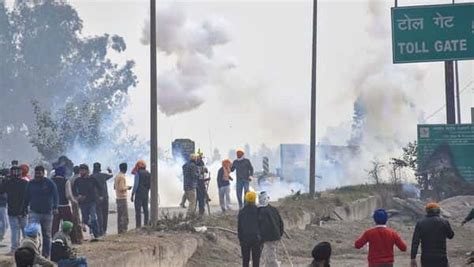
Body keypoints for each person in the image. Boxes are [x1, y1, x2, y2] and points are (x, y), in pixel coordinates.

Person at [24, 165, 59, 258]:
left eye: (39, 173)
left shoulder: (50, 183)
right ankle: (33, 254)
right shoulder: (30, 183)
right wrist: (24, 208)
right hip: (34, 212)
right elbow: (26, 197)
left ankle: (46, 255)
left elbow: (56, 196)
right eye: (36, 173)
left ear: (43, 173)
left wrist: (55, 207)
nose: (38, 175)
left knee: (47, 235)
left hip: (47, 213)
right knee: (32, 233)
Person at [410, 203, 454, 267]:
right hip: (441, 256)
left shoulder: (420, 223)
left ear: (427, 211)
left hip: (426, 257)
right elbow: (451, 235)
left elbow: (415, 242)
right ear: (438, 211)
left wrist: (413, 258)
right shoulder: (444, 222)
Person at [0, 166, 28, 254]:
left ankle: (14, 249)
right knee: (25, 231)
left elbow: (1, 191)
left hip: (12, 210)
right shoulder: (25, 183)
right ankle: (27, 247)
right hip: (23, 210)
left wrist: (4, 180)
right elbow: (28, 197)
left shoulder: (8, 182)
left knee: (15, 230)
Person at [73, 164, 102, 238]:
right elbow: (74, 190)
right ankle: (93, 230)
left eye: (83, 170)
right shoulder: (78, 180)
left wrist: (100, 196)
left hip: (92, 201)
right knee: (85, 220)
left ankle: (96, 234)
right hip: (83, 203)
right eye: (80, 170)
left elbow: (99, 187)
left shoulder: (92, 179)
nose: (81, 172)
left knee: (93, 218)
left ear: (87, 171)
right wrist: (77, 196)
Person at [258, 191, 284, 267]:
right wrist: (280, 234)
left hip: (269, 237)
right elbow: (280, 223)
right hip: (275, 236)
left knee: (270, 258)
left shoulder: (260, 211)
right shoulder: (273, 209)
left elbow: (260, 226)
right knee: (269, 255)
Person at [238, 191, 262, 267]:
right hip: (256, 238)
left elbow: (239, 227)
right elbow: (261, 226)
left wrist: (240, 239)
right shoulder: (258, 211)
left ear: (246, 199)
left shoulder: (242, 211)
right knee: (256, 260)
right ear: (255, 200)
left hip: (245, 239)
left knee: (245, 260)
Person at [90, 162, 113, 235]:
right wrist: (110, 170)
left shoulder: (91, 177)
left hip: (96, 198)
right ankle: (104, 230)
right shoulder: (103, 175)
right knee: (105, 213)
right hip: (105, 196)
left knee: (99, 214)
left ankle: (100, 229)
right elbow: (111, 175)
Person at [51, 167, 75, 239]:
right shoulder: (66, 181)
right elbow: (68, 195)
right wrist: (73, 201)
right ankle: (70, 238)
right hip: (65, 206)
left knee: (54, 226)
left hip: (54, 207)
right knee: (68, 223)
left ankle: (54, 239)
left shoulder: (51, 181)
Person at [131, 160, 151, 227]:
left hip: (139, 194)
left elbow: (136, 185)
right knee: (146, 210)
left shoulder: (138, 173)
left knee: (138, 211)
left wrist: (132, 194)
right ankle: (146, 224)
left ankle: (138, 226)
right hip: (146, 194)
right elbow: (150, 185)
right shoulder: (148, 173)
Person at [66, 166, 82, 244]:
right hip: (81, 200)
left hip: (74, 200)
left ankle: (78, 237)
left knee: (76, 219)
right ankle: (79, 237)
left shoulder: (70, 179)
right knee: (79, 219)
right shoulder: (81, 178)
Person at [114, 163, 130, 234]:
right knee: (125, 216)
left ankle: (120, 230)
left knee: (119, 216)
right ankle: (124, 230)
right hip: (122, 198)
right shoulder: (122, 177)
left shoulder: (117, 176)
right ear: (125, 168)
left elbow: (115, 187)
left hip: (118, 197)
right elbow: (121, 188)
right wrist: (128, 187)